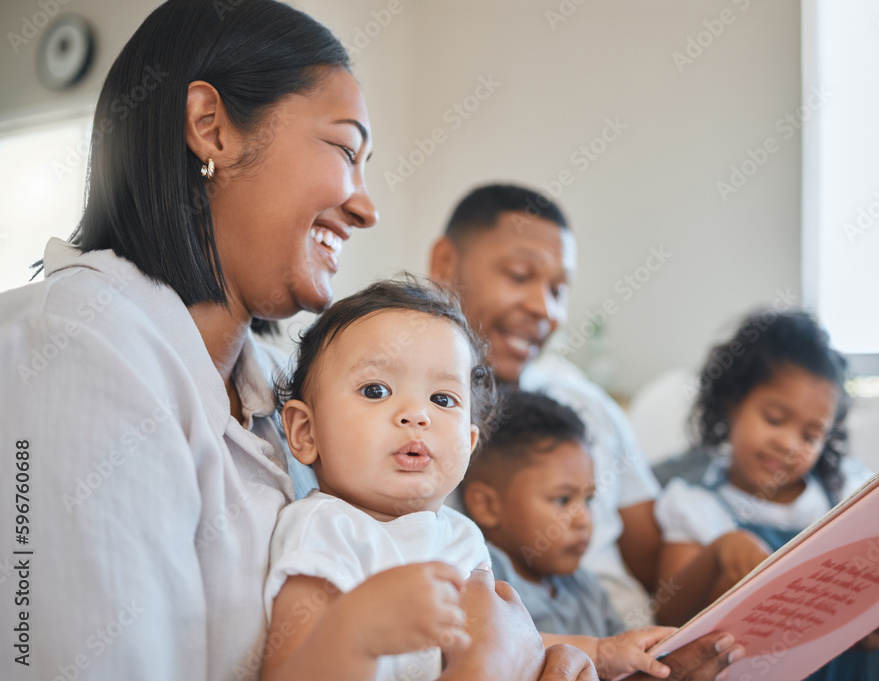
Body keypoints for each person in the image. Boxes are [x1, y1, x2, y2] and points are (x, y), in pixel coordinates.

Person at [0, 2, 598, 679]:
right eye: (347, 149)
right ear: (211, 127)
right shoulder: (70, 352)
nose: (367, 206)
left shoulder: (281, 381)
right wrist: (486, 666)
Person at [428, 183, 743, 678]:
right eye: (519, 275)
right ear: (445, 263)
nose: (544, 310)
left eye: (558, 290)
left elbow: (655, 566)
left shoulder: (585, 404)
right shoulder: (408, 413)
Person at [653, 309, 879, 680]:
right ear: (731, 403)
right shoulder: (694, 503)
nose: (789, 444)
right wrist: (721, 550)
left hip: (865, 653)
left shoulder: (848, 489)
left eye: (810, 435)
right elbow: (667, 618)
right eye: (773, 418)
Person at [262, 278, 505, 681]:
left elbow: (497, 642)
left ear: (470, 442)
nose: (416, 415)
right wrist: (355, 634)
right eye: (376, 390)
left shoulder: (462, 536)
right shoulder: (325, 529)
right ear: (306, 432)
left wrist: (596, 650)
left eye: (442, 399)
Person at [463, 389, 674, 680]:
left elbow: (623, 667)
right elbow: (493, 650)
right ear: (487, 505)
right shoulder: (482, 579)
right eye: (562, 500)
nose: (584, 520)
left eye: (587, 500)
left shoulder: (587, 588)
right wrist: (600, 651)